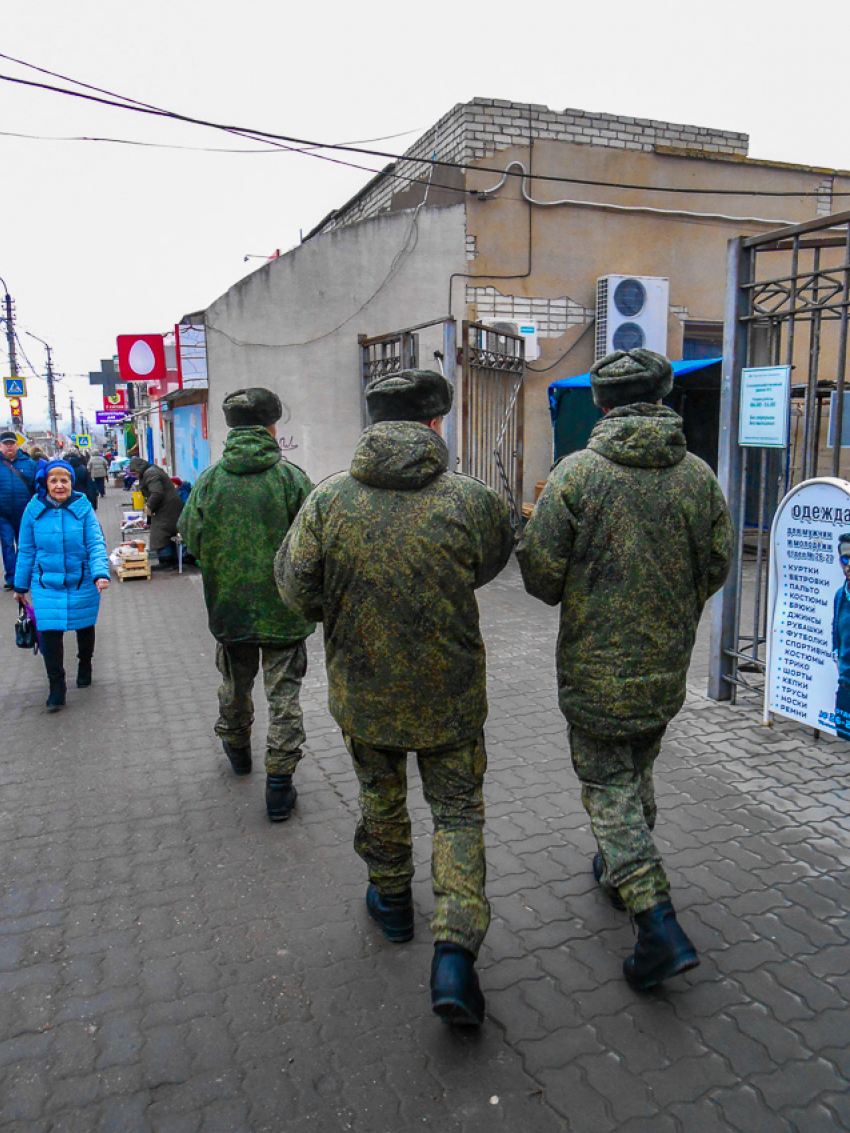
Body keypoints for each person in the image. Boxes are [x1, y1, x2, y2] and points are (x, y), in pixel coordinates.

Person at [275, 370, 514, 1026]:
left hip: (365, 689)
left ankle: (391, 904)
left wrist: (342, 607)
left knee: (380, 797)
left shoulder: (329, 501)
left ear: (373, 424)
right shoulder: (472, 499)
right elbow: (490, 563)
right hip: (450, 693)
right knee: (459, 813)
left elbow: (296, 587)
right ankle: (455, 954)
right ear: (436, 422)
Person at [516, 348, 732, 991]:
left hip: (595, 667)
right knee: (637, 766)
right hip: (665, 663)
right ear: (663, 399)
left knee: (608, 785)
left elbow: (542, 578)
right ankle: (618, 874)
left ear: (603, 404)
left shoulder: (576, 476)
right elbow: (718, 565)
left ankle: (656, 923)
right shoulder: (697, 475)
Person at [180, 388, 316, 822]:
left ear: (231, 428)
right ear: (272, 427)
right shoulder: (291, 479)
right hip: (284, 611)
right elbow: (315, 545)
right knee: (285, 696)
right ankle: (279, 785)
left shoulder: (210, 480)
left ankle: (237, 750)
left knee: (234, 685)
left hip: (230, 610)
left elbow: (191, 537)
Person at [13, 459, 110, 711]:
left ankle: (85, 663)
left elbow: (96, 543)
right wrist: (20, 586)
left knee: (84, 624)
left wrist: (100, 573)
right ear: (45, 483)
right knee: (49, 634)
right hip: (46, 583)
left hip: (81, 579)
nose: (59, 485)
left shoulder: (83, 507)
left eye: (64, 480)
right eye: (54, 481)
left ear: (71, 483)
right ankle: (57, 687)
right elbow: (25, 550)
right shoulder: (33, 511)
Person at [127, 457, 184, 568]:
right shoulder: (151, 471)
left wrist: (149, 506)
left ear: (139, 469)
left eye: (135, 473)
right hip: (168, 506)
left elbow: (157, 493)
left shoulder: (151, 473)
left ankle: (166, 561)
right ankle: (172, 560)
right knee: (164, 532)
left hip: (168, 508)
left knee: (160, 533)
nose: (135, 476)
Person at [0, 429, 37, 590]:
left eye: (12, 444)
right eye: (6, 444)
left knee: (24, 545)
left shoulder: (29, 464)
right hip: (3, 514)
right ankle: (12, 577)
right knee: (7, 544)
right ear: (1, 446)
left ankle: (25, 576)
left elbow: (38, 488)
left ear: (17, 445)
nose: (9, 447)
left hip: (24, 513)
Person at [831, 533, 850, 740]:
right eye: (846, 558)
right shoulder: (840, 595)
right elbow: (836, 630)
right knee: (844, 735)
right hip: (846, 684)